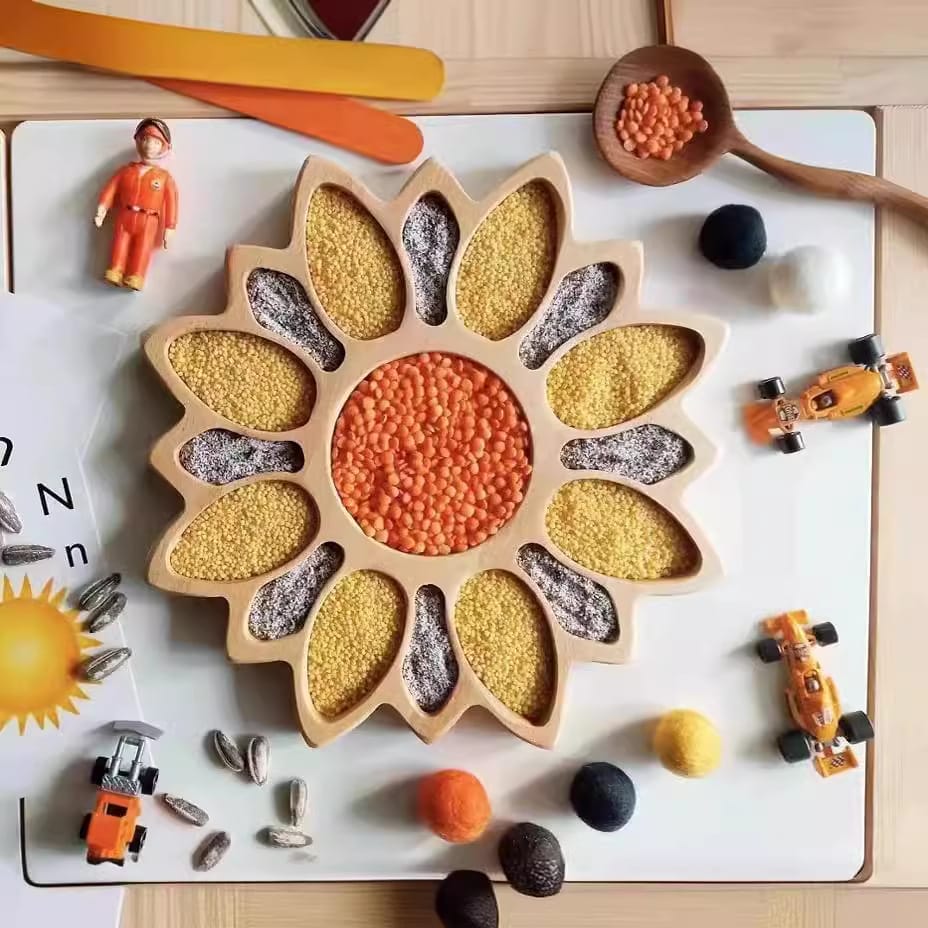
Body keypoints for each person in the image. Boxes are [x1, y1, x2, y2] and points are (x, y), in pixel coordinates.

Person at [94, 118, 178, 291]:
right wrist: (102, 210)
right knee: (119, 243)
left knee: (143, 247)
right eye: (146, 140)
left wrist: (170, 227)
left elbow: (172, 202)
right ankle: (115, 270)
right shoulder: (126, 171)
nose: (149, 145)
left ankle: (136, 276)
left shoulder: (164, 177)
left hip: (149, 219)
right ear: (139, 141)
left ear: (164, 147)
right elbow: (111, 190)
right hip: (125, 215)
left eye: (155, 142)